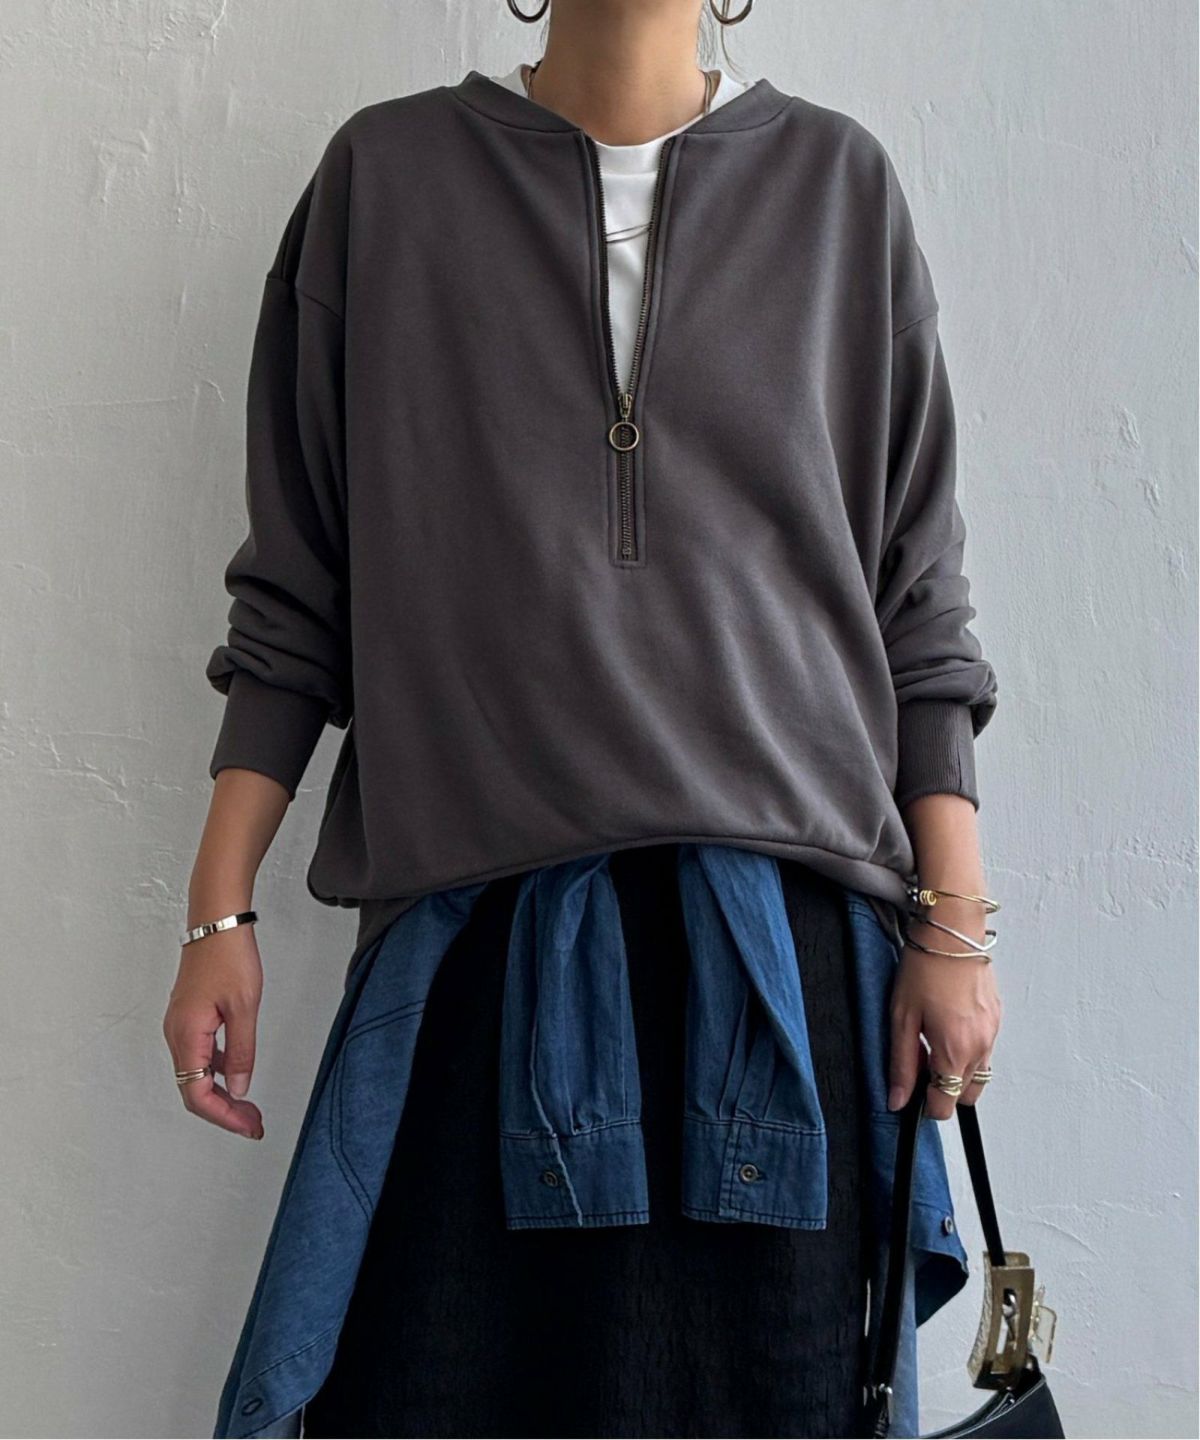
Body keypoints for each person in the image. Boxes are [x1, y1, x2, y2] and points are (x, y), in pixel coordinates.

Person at [162, 3, 1003, 1436]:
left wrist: (958, 929)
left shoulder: (840, 188)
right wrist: (217, 910)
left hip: (786, 975)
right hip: (474, 957)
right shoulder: (386, 182)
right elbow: (302, 592)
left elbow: (914, 604)